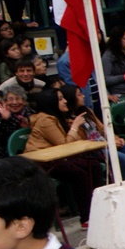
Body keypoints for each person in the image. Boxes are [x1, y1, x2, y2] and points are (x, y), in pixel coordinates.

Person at [25, 89, 102, 229]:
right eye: (60, 99)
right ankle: (86, 218)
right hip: (43, 161)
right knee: (79, 174)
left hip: (59, 158)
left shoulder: (57, 117)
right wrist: (75, 126)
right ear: (51, 102)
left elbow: (74, 143)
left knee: (94, 165)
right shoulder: (45, 120)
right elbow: (64, 145)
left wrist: (74, 128)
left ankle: (99, 208)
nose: (65, 101)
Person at [61, 83, 125, 182]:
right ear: (71, 98)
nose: (83, 96)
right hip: (94, 149)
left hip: (105, 142)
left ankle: (123, 180)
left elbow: (102, 128)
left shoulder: (87, 111)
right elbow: (81, 141)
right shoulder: (68, 121)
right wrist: (107, 144)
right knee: (122, 158)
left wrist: (115, 138)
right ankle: (119, 183)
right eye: (79, 94)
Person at [0, 84, 30, 160]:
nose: (15, 102)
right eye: (10, 99)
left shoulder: (29, 113)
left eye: (18, 99)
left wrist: (27, 128)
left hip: (27, 152)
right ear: (5, 102)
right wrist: (4, 119)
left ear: (24, 102)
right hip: (3, 156)